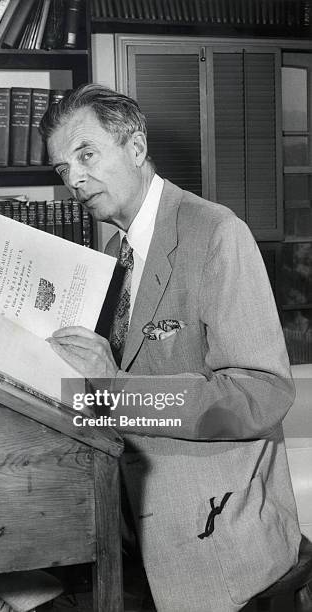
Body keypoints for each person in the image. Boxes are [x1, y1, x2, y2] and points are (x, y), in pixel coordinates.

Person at [39, 84, 302, 612]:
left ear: (135, 148)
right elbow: (107, 393)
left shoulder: (216, 232)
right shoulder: (114, 252)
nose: (74, 179)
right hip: (129, 527)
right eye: (62, 168)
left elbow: (263, 395)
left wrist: (116, 391)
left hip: (214, 538)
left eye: (86, 154)